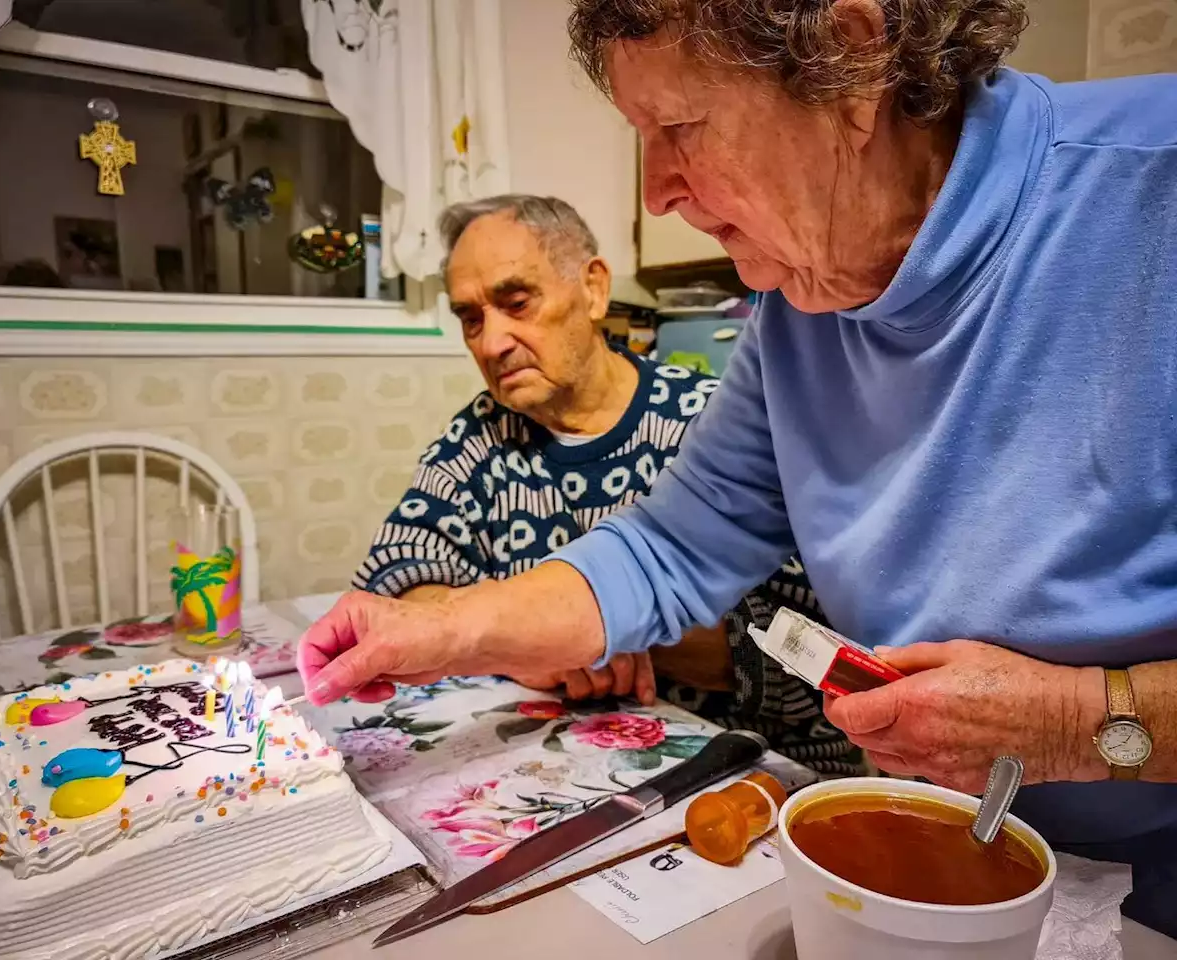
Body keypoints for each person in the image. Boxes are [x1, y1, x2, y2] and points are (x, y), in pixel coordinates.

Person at [298, 0, 1177, 935]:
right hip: (930, 853)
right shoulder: (797, 302)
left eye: (678, 128)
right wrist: (436, 631)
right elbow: (671, 548)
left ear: (851, 61)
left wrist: (1080, 720)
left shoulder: (1151, 196)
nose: (656, 191)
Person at [353, 193, 861, 776]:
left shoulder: (711, 422)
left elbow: (822, 658)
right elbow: (399, 582)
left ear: (593, 288)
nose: (491, 343)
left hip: (761, 774)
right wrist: (521, 647)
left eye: (516, 302)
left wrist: (590, 628)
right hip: (562, 769)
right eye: (471, 318)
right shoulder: (481, 437)